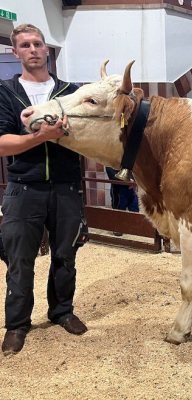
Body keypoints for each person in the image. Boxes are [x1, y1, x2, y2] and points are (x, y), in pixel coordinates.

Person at [0, 24, 88, 355]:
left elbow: (86, 130)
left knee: (66, 255)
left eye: (38, 43)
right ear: (16, 52)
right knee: (19, 259)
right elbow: (2, 143)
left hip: (66, 186)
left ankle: (62, 311)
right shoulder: (5, 92)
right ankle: (17, 324)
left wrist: (72, 132)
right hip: (24, 187)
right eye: (25, 45)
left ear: (46, 50)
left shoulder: (70, 91)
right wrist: (40, 137)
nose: (33, 49)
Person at [105, 167, 139, 236]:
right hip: (119, 188)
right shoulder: (110, 164)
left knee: (134, 207)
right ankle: (118, 228)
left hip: (131, 188)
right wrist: (128, 181)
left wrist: (133, 181)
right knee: (119, 208)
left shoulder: (126, 161)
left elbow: (133, 170)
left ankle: (135, 228)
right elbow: (112, 176)